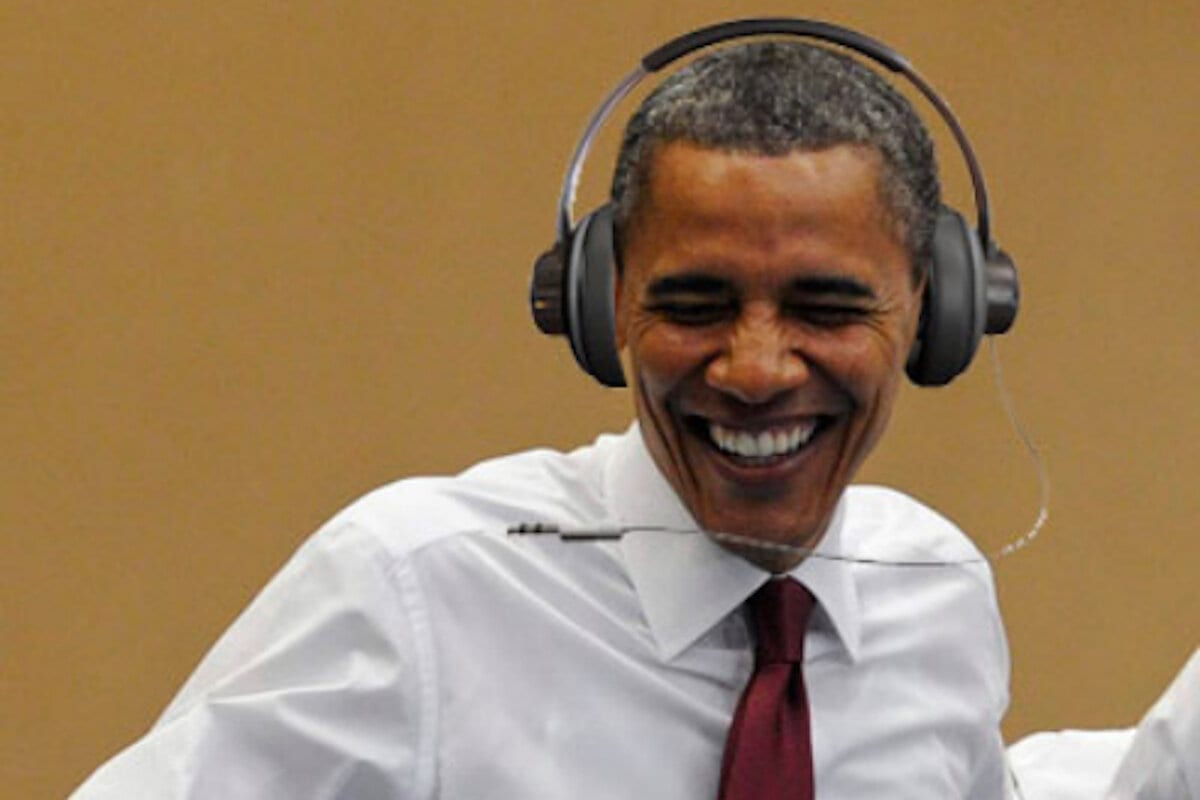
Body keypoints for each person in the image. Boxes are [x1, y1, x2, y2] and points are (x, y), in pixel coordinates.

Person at [71, 33, 1013, 798]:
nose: (755, 369)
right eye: (694, 306)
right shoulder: (414, 588)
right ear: (601, 306)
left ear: (938, 311)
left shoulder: (938, 595)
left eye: (826, 308)